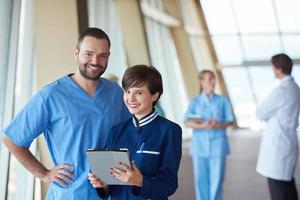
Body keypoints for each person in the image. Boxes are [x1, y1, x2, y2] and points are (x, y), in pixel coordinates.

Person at [1, 27, 130, 199]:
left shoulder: (116, 93)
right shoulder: (51, 95)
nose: (95, 61)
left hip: (111, 192)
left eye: (102, 55)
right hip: (69, 193)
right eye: (88, 54)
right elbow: (12, 139)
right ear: (76, 53)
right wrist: (44, 174)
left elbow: (128, 138)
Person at [88, 65, 182, 200]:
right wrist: (102, 184)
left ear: (155, 95)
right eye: (127, 91)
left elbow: (169, 184)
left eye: (138, 93)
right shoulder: (116, 131)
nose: (130, 99)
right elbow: (111, 180)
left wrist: (140, 181)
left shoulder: (169, 131)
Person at [184, 70, 234, 200]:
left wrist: (216, 125)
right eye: (209, 79)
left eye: (213, 78)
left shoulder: (223, 100)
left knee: (217, 179)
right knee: (200, 180)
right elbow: (187, 121)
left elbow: (230, 120)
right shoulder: (194, 102)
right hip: (199, 146)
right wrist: (203, 126)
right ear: (201, 82)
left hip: (218, 145)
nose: (212, 81)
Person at [256, 53, 300, 200]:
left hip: (278, 147)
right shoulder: (295, 88)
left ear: (279, 69)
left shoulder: (281, 91)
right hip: (288, 141)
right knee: (288, 187)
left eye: (273, 67)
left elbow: (261, 113)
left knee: (278, 191)